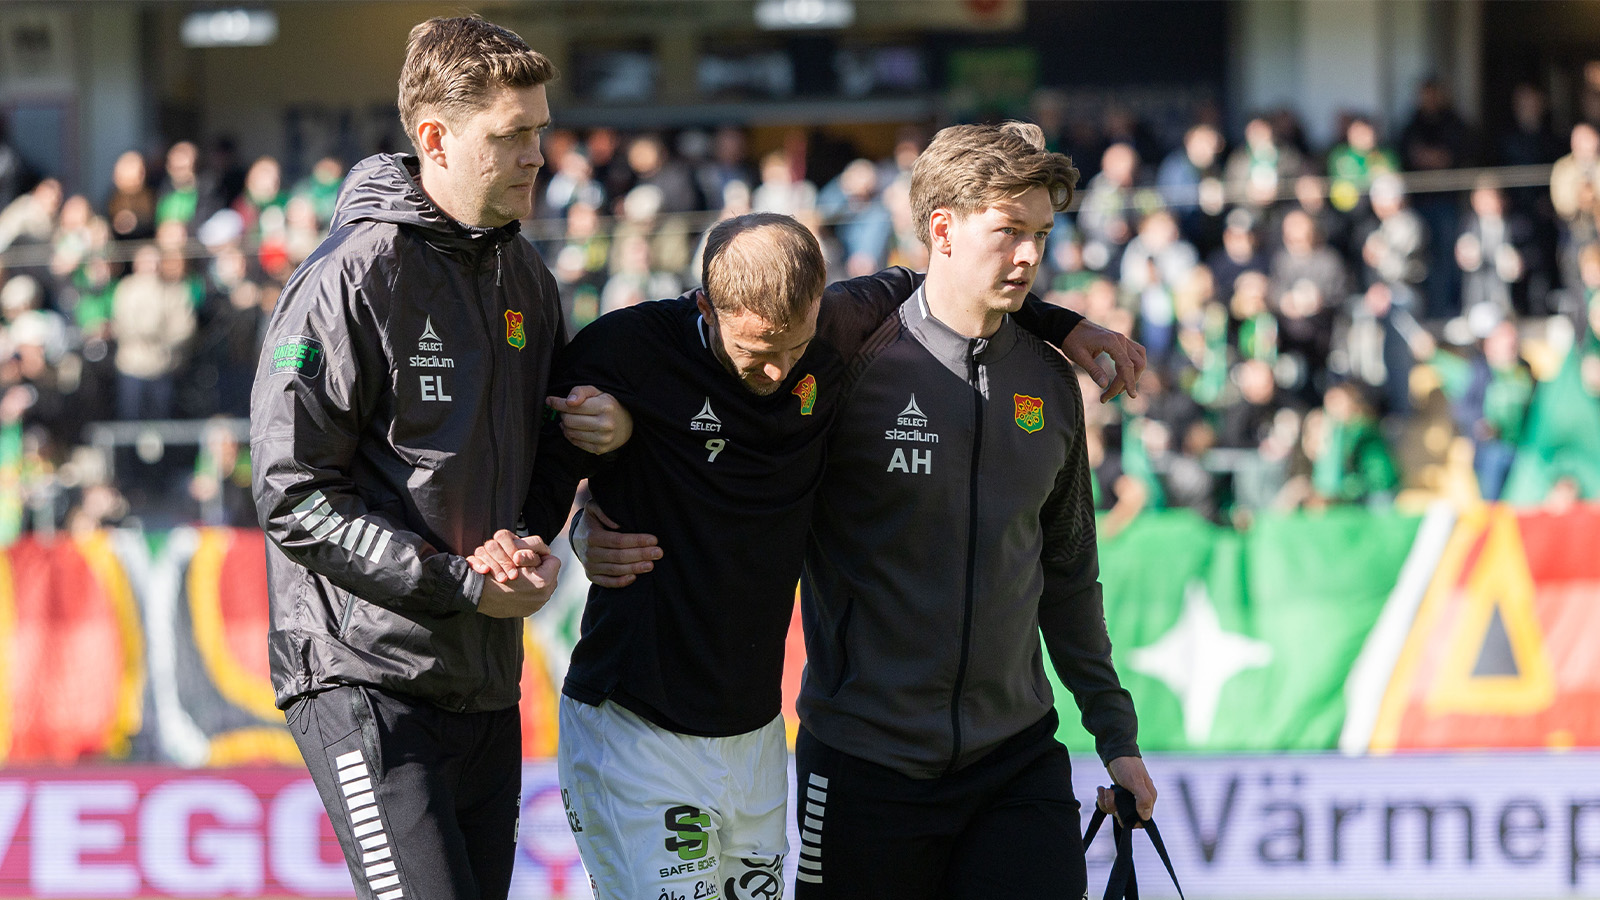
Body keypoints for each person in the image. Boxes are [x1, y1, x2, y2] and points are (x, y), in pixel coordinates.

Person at [556, 125, 1154, 900]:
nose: (1030, 255)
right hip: (862, 765)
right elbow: (720, 384)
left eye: (1041, 234)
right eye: (1011, 231)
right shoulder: (841, 346)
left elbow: (1068, 574)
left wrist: (1116, 736)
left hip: (1016, 762)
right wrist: (595, 501)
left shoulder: (1049, 383)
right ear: (942, 229)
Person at [249, 17, 629, 900]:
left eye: (541, 130)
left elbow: (546, 454)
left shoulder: (526, 275)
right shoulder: (350, 277)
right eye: (511, 135)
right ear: (435, 138)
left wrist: (526, 541)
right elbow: (291, 492)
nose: (538, 155)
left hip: (485, 675)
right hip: (362, 678)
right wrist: (460, 582)